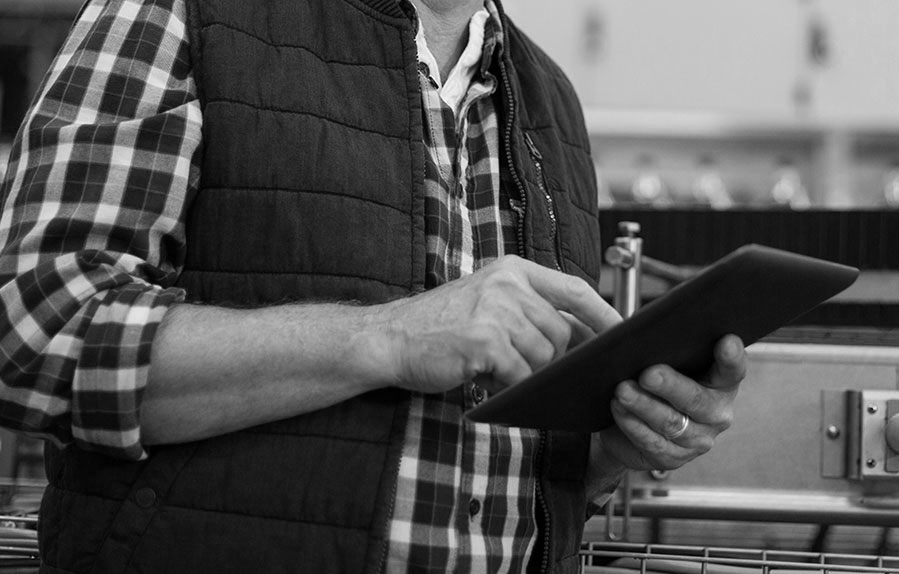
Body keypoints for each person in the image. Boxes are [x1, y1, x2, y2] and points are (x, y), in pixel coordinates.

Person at [0, 0, 746, 572]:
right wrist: (384, 336)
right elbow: (32, 330)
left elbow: (510, 477)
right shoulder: (188, 14)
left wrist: (609, 446)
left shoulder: (551, 103)